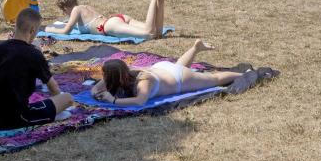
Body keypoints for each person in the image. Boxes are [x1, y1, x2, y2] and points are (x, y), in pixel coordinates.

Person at [0, 8, 74, 129]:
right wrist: (56, 104)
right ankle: (51, 114)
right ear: (33, 30)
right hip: (15, 118)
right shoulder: (33, 54)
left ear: (16, 25)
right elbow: (54, 89)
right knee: (68, 98)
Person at [90, 40, 261, 106]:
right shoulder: (122, 74)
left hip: (179, 78)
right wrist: (97, 92)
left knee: (214, 79)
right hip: (165, 69)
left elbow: (140, 101)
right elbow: (95, 89)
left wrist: (112, 100)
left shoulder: (143, 81)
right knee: (180, 66)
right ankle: (195, 48)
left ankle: (244, 74)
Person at [44, 0, 176, 39]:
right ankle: (161, 1)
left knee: (149, 33)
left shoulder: (75, 10)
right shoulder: (84, 7)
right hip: (119, 19)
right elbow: (70, 22)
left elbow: (66, 30)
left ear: (65, 8)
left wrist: (50, 29)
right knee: (157, 34)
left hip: (110, 26)